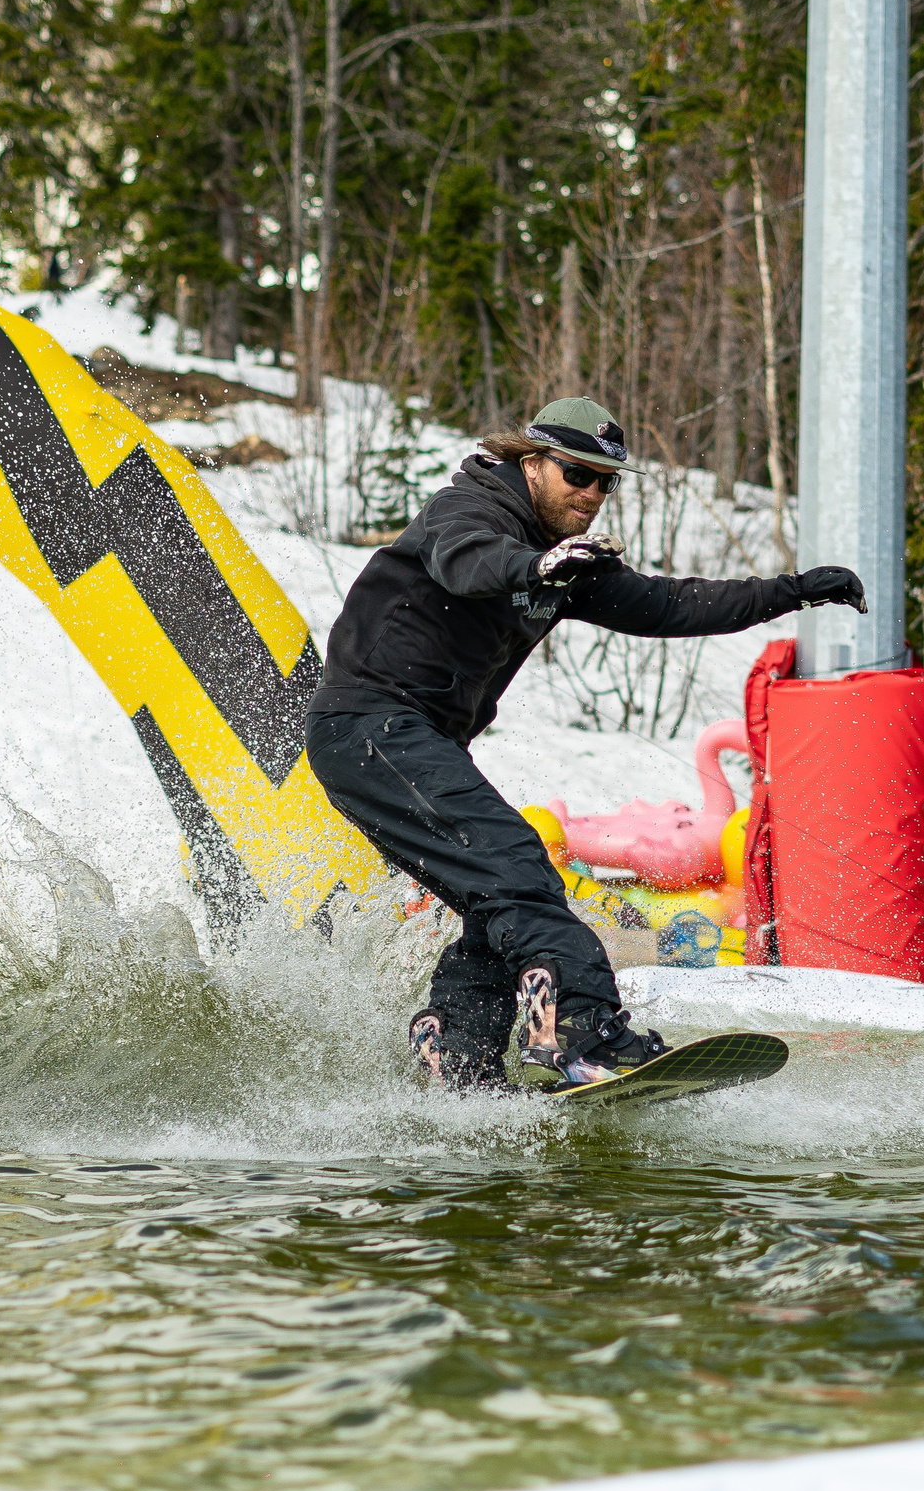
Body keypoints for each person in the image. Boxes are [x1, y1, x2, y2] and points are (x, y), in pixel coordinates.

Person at [306, 397, 868, 1090]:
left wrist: (794, 590)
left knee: (499, 903)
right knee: (520, 865)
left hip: (407, 742)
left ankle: (456, 1053)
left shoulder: (565, 560)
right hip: (369, 727)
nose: (594, 493)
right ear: (532, 462)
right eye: (578, 473)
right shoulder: (472, 511)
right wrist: (536, 569)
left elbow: (674, 604)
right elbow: (467, 561)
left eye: (607, 480)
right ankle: (585, 1033)